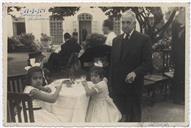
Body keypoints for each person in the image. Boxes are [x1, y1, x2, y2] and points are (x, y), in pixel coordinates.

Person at [110, 10, 152, 122]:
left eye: (128, 22)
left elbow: (148, 64)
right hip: (117, 89)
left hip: (133, 88)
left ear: (134, 24)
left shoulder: (143, 40)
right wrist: (109, 83)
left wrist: (135, 73)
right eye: (123, 22)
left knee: (133, 119)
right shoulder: (116, 40)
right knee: (118, 118)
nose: (125, 25)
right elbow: (113, 64)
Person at [171, 8, 185, 105]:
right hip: (180, 54)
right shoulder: (177, 20)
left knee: (181, 76)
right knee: (179, 76)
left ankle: (181, 97)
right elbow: (177, 38)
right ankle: (177, 98)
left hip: (181, 53)